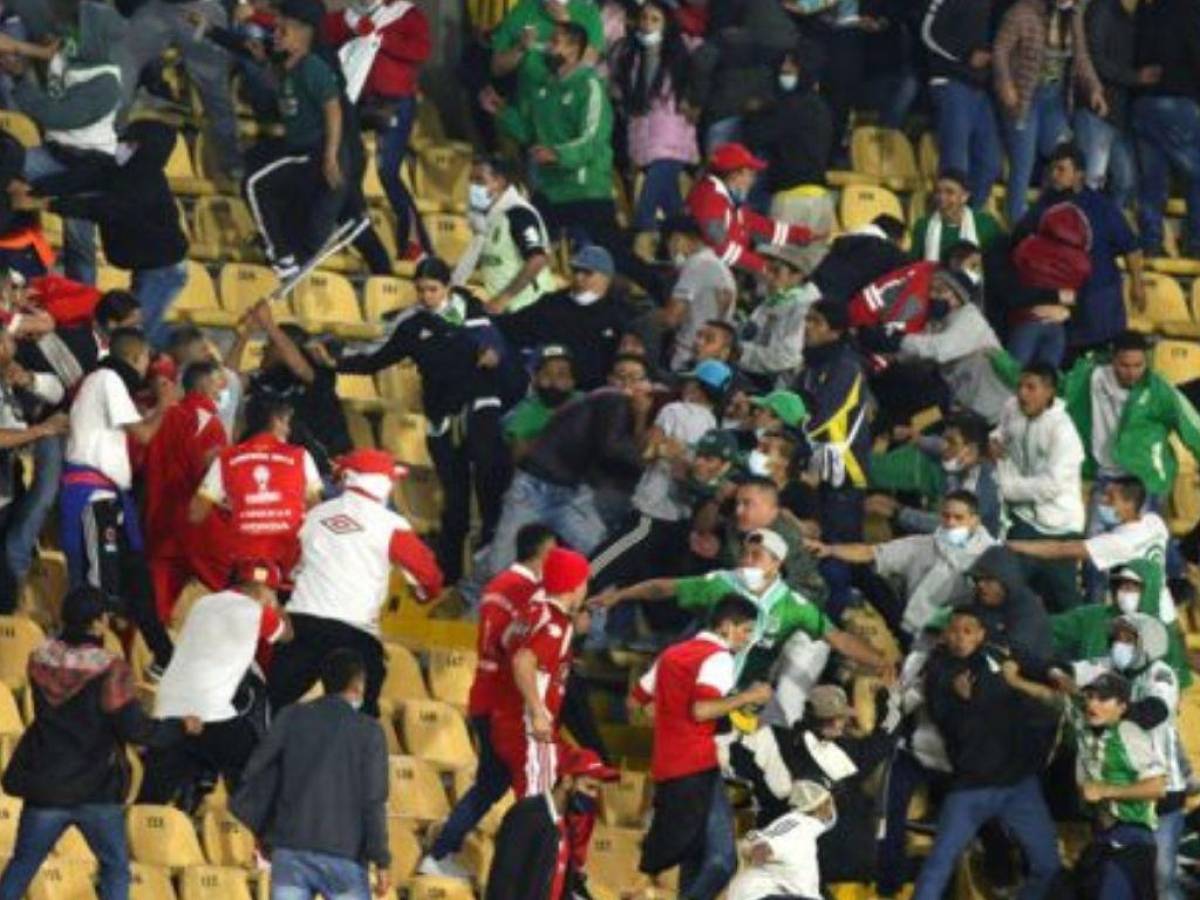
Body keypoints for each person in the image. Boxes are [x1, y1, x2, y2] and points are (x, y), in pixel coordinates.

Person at [0, 586, 202, 900]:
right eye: (104, 616)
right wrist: (180, 727)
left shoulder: (38, 659)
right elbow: (136, 729)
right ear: (96, 624)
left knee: (22, 866)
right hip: (95, 790)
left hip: (46, 786)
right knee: (115, 869)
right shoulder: (111, 670)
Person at [339, 256, 523, 583]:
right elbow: (376, 359)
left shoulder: (473, 312)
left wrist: (493, 355)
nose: (426, 296)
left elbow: (497, 344)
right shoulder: (412, 325)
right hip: (441, 417)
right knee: (455, 502)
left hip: (479, 405)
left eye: (433, 289)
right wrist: (333, 361)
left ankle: (489, 572)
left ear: (448, 287)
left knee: (488, 478)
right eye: (421, 289)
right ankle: (447, 579)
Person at [600, 528, 892, 725]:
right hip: (703, 686)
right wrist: (620, 595)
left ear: (776, 563)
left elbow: (838, 638)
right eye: (744, 554)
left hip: (743, 696)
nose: (746, 561)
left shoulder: (793, 606)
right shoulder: (721, 584)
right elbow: (665, 588)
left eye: (756, 556)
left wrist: (880, 661)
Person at [420, 524, 557, 879]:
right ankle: (534, 873)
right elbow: (512, 648)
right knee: (530, 790)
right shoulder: (525, 591)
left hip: (486, 694)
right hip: (503, 702)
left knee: (494, 784)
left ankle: (442, 851)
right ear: (543, 553)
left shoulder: (497, 586)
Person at [268, 449, 443, 717]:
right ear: (379, 483)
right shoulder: (391, 525)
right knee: (359, 721)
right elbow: (430, 578)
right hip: (355, 633)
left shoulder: (313, 516)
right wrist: (420, 594)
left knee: (275, 709)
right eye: (390, 479)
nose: (393, 485)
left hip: (301, 626)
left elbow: (287, 569)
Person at [912, 608, 1061, 900]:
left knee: (1048, 865)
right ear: (945, 634)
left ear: (981, 634)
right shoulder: (939, 668)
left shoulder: (997, 654)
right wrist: (965, 698)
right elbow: (944, 711)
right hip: (971, 788)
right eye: (954, 630)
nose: (960, 637)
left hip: (1018, 785)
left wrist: (1054, 672)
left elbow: (1037, 664)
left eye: (968, 631)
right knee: (938, 866)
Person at [628, 595, 766, 900]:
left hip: (666, 768)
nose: (747, 639)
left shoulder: (672, 653)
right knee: (721, 860)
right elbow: (702, 710)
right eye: (745, 630)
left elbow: (635, 701)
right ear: (726, 627)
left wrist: (667, 721)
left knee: (695, 855)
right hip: (696, 767)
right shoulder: (718, 658)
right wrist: (747, 697)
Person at [477, 354, 654, 586]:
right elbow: (612, 448)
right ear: (610, 379)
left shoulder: (602, 401)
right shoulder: (612, 399)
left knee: (601, 563)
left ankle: (587, 619)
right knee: (500, 569)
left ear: (647, 384)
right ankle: (470, 602)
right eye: (621, 377)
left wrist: (641, 416)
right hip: (536, 489)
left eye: (635, 378)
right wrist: (651, 465)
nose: (627, 384)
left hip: (569, 494)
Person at [13, 120, 190, 347]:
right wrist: (34, 189)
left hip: (162, 272)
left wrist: (43, 204)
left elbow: (100, 207)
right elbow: (80, 179)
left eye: (131, 143)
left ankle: (184, 352)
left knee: (134, 335)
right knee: (134, 330)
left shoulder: (147, 185)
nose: (122, 145)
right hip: (146, 265)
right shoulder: (118, 170)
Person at [232, 649, 392, 900]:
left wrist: (264, 830)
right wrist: (381, 859)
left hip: (290, 849)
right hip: (345, 855)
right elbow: (373, 800)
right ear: (358, 685)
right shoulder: (370, 732)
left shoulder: (291, 716)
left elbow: (255, 769)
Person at [61, 326, 176, 671]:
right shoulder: (107, 378)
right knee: (101, 589)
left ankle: (165, 659)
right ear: (136, 357)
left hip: (111, 500)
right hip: (94, 496)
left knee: (138, 584)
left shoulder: (105, 383)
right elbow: (143, 433)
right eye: (144, 362)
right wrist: (165, 405)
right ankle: (86, 667)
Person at [1002, 668, 1166, 899]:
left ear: (1122, 707)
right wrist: (1015, 680)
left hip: (1132, 838)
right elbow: (1050, 696)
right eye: (1090, 696)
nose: (1093, 703)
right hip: (1103, 836)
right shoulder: (1083, 719)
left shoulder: (1129, 734)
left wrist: (1106, 790)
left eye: (1103, 699)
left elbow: (1157, 787)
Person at [1010, 475, 1191, 683]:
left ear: (1129, 503)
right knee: (1171, 678)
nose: (1102, 502)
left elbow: (1061, 549)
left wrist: (1015, 546)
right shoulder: (1154, 522)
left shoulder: (1118, 542)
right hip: (1166, 612)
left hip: (1138, 619)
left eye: (1110, 498)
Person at [140, 561, 292, 805]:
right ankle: (254, 837)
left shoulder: (203, 603)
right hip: (209, 714)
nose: (274, 596)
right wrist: (277, 608)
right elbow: (286, 635)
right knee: (257, 769)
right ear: (262, 590)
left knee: (150, 803)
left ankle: (189, 797)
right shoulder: (255, 612)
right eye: (273, 591)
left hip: (168, 708)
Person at [3, 0, 125, 285]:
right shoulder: (66, 52)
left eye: (78, 29)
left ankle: (81, 303)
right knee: (5, 171)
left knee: (78, 240)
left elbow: (58, 116)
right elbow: (36, 13)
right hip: (53, 152)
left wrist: (21, 78)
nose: (71, 32)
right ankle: (17, 264)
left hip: (89, 164)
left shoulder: (105, 81)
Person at [242, 0, 362, 281]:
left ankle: (281, 256)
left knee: (254, 184)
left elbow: (333, 110)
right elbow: (283, 90)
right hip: (299, 150)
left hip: (316, 151)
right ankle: (291, 253)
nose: (275, 36)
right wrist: (262, 62)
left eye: (282, 31)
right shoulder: (287, 66)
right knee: (267, 176)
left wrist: (330, 155)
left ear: (300, 33)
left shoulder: (312, 67)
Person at [486, 22, 616, 250]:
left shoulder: (589, 86)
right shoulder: (544, 89)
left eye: (555, 43)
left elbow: (593, 138)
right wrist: (502, 112)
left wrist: (557, 154)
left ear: (573, 50)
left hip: (585, 191)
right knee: (527, 248)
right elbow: (530, 134)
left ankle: (658, 280)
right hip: (550, 190)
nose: (547, 48)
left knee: (606, 259)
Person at [321, 0, 432, 260]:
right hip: (357, 101)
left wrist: (381, 37)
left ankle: (415, 243)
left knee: (388, 172)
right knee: (346, 164)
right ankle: (347, 229)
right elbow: (314, 30)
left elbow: (421, 51)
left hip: (395, 102)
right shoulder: (353, 15)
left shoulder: (409, 14)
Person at [809, 490, 996, 639]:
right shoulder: (923, 545)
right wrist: (830, 550)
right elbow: (870, 552)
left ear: (974, 520)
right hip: (916, 630)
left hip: (963, 637)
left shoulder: (992, 555)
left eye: (958, 518)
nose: (950, 523)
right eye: (946, 516)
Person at [1017, 143, 1146, 353]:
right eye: (1052, 170)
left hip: (1099, 298)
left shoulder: (1101, 206)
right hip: (1062, 301)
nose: (1054, 175)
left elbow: (1130, 248)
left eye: (1061, 169)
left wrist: (1138, 285)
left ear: (1079, 175)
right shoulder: (1043, 207)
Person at [490, 547, 592, 797]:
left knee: (506, 794)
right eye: (585, 582)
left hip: (504, 716)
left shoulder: (531, 610)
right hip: (530, 726)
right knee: (537, 802)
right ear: (575, 586)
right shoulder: (556, 623)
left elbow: (504, 643)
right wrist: (537, 712)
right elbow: (523, 660)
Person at [992, 0, 1104, 224]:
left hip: (1053, 101)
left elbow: (1081, 57)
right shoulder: (1022, 11)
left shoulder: (1073, 16)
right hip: (1025, 98)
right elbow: (1000, 50)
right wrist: (1005, 83)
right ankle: (1015, 224)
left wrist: (1094, 88)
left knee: (1065, 156)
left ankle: (1051, 218)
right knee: (1023, 162)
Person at [1062, 331, 1200, 512]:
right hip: (1105, 477)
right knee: (1097, 540)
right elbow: (1048, 387)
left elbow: (1192, 428)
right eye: (1125, 365)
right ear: (1113, 360)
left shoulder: (1158, 390)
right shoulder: (1088, 378)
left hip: (1147, 480)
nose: (1132, 372)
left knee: (1143, 539)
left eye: (1138, 365)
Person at [189, 396, 324, 581]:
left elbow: (195, 514)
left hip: (244, 564)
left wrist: (232, 506)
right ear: (277, 420)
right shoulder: (301, 456)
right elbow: (316, 511)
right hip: (290, 563)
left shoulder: (226, 458)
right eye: (287, 422)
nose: (289, 429)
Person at [796, 299, 871, 611]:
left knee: (836, 551)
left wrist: (788, 421)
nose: (807, 327)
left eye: (815, 321)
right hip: (816, 469)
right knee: (815, 546)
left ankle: (841, 615)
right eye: (807, 320)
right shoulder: (812, 366)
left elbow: (821, 418)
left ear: (835, 330)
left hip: (844, 475)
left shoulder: (846, 367)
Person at [992, 363, 1086, 611]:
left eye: (1031, 387)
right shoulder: (1012, 407)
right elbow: (1000, 433)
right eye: (1020, 386)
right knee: (1004, 588)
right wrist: (994, 441)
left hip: (1059, 528)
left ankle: (1075, 648)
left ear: (1049, 392)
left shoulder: (1063, 431)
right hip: (1022, 520)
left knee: (1064, 604)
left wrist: (1008, 488)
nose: (1023, 393)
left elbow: (1052, 485)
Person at [114, 0, 240, 183]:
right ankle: (108, 149)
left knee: (215, 93)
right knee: (120, 72)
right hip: (157, 9)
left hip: (202, 9)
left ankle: (231, 162)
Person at [142, 358, 229, 621]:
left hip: (157, 521)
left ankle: (149, 658)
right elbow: (212, 471)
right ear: (202, 384)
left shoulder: (158, 416)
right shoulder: (208, 421)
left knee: (156, 611)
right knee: (239, 592)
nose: (222, 389)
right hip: (197, 524)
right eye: (217, 382)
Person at [609, 0, 698, 240]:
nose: (647, 25)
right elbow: (619, 91)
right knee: (672, 207)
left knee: (646, 207)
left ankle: (642, 240)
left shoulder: (682, 54)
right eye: (644, 18)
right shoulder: (628, 56)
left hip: (672, 138)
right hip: (643, 137)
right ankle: (681, 249)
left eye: (655, 19)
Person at [483, 744, 618, 900]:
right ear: (567, 780)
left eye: (597, 791)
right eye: (589, 787)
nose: (593, 796)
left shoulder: (565, 824)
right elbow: (503, 882)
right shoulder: (527, 815)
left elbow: (559, 884)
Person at [496, 245, 630, 391]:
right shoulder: (552, 304)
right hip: (545, 389)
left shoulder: (619, 316)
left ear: (606, 278)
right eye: (575, 271)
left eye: (587, 273)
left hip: (592, 395)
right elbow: (512, 326)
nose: (579, 277)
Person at [894, 267, 1012, 425]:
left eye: (940, 291)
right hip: (971, 412)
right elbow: (918, 355)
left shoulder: (970, 318)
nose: (932, 296)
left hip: (999, 412)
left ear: (959, 296)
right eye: (931, 290)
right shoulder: (937, 324)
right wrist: (889, 353)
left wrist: (898, 340)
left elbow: (941, 349)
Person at [742, 47, 836, 238]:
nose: (783, 69)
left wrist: (753, 113)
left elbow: (757, 136)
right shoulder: (822, 107)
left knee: (779, 262)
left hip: (792, 200)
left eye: (789, 66)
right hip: (821, 198)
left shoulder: (790, 106)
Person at [1131, 0, 1200, 257]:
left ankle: (1151, 242)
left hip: (1142, 103)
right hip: (1177, 100)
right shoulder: (1189, 8)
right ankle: (1195, 243)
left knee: (1152, 182)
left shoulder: (1146, 8)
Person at [686, 142, 818, 275]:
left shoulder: (729, 200)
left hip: (721, 272)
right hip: (706, 276)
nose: (752, 181)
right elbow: (719, 247)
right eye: (750, 174)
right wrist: (762, 266)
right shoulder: (710, 198)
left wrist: (801, 235)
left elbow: (761, 228)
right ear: (734, 175)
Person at [867, 412, 1002, 537]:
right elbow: (940, 445)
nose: (944, 448)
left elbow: (947, 525)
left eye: (951, 443)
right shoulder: (968, 459)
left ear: (971, 449)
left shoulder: (979, 489)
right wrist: (919, 439)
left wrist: (897, 512)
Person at [919, 0, 1001, 207]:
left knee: (990, 162)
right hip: (950, 82)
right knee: (955, 164)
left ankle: (967, 222)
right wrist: (965, 55)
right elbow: (928, 32)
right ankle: (947, 228)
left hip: (980, 88)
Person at [453, 155, 555, 315]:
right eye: (471, 180)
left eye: (479, 180)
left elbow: (537, 259)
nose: (473, 186)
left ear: (499, 182)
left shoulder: (518, 213)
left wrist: (503, 298)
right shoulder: (485, 219)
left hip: (533, 307)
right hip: (506, 310)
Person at [1074, 0, 1144, 211]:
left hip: (1119, 115)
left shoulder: (1135, 16)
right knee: (1091, 181)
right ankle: (1081, 234)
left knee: (1125, 180)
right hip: (1097, 109)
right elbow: (1095, 58)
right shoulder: (1102, 8)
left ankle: (1103, 231)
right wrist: (1135, 77)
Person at [727, 780, 836, 900]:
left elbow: (751, 839)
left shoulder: (793, 821)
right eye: (829, 802)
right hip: (762, 895)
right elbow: (761, 849)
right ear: (822, 806)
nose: (832, 808)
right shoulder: (801, 828)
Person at [739, 244, 822, 389]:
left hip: (777, 388)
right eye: (768, 269)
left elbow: (789, 356)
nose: (768, 276)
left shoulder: (807, 308)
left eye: (776, 271)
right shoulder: (775, 299)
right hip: (753, 375)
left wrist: (740, 353)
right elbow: (752, 334)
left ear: (797, 275)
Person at [488, 0, 604, 102]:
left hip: (567, 112)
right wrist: (520, 48)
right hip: (527, 111)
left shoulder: (590, 13)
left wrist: (567, 23)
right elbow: (496, 68)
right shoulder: (525, 7)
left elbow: (595, 65)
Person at [662, 215, 737, 373]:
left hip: (690, 355)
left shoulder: (697, 263)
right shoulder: (717, 265)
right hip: (714, 355)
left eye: (669, 243)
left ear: (678, 239)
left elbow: (672, 317)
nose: (671, 250)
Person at [502, 345, 581, 461]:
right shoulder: (521, 414)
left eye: (561, 375)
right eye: (547, 375)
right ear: (535, 379)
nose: (553, 382)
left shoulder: (588, 404)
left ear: (572, 381)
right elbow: (518, 461)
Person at [911, 169, 1004, 262]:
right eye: (938, 192)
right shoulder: (923, 226)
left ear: (965, 196)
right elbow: (913, 265)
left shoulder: (985, 224)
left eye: (949, 192)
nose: (941, 198)